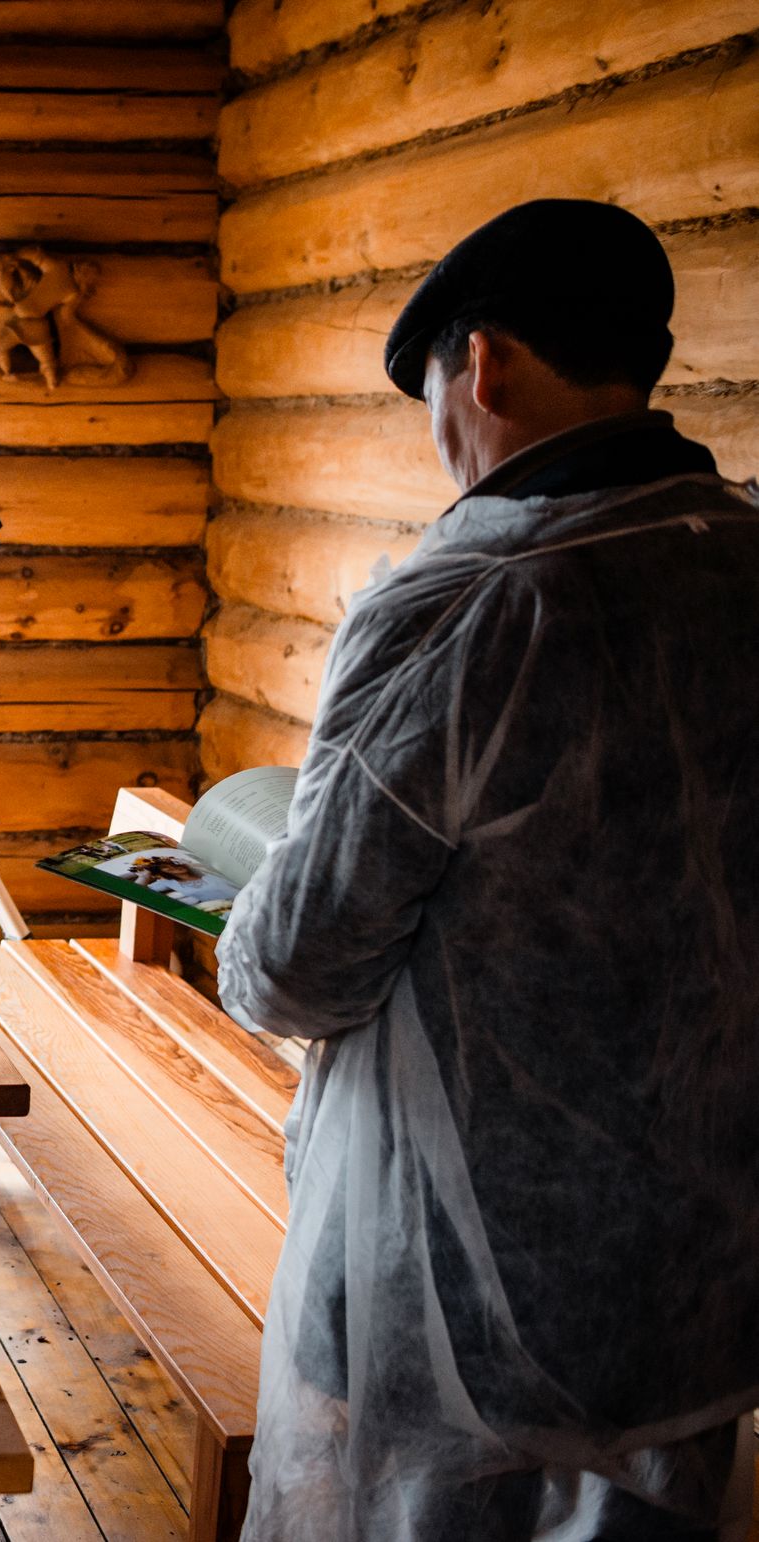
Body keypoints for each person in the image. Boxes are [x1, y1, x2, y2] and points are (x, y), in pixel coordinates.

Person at [217, 199, 759, 1540]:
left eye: (437, 400)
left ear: (487, 366)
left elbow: (294, 962)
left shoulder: (476, 600)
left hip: (467, 1278)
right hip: (707, 1250)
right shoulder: (740, 558)